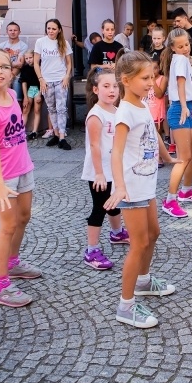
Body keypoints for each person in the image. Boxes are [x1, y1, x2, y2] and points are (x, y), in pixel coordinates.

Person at [105, 50, 178, 328]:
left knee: (154, 233)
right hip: (132, 188)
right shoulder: (124, 112)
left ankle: (144, 282)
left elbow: (154, 132)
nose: (151, 82)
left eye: (152, 76)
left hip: (146, 182)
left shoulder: (143, 105)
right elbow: (116, 152)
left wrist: (168, 157)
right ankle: (125, 305)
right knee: (139, 244)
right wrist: (120, 186)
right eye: (145, 78)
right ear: (126, 79)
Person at [0, 47, 40, 307]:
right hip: (3, 176)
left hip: (23, 167)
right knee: (7, 227)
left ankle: (13, 263)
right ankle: (0, 285)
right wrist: (0, 186)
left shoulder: (13, 94)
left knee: (23, 217)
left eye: (3, 66)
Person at [81, 67, 128, 271]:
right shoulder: (96, 114)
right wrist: (99, 173)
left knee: (114, 203)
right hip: (99, 172)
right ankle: (91, 250)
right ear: (95, 89)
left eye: (115, 86)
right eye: (106, 86)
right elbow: (95, 146)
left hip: (114, 169)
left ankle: (117, 233)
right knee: (99, 208)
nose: (112, 90)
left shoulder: (117, 111)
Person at [160, 28, 192, 217]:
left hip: (185, 107)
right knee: (184, 157)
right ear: (172, 47)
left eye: (187, 44)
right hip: (180, 109)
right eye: (180, 46)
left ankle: (186, 191)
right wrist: (184, 106)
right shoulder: (179, 59)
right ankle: (170, 200)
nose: (185, 48)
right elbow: (180, 84)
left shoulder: (185, 60)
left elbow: (189, 79)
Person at [34, 18, 73, 150]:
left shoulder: (64, 43)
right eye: (49, 28)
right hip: (46, 80)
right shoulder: (40, 42)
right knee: (51, 108)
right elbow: (35, 63)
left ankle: (62, 137)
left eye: (53, 29)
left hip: (61, 79)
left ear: (59, 30)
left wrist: (67, 76)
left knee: (61, 108)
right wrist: (41, 79)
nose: (51, 31)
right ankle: (55, 135)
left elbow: (69, 63)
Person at [0, 22, 28, 96]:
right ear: (7, 32)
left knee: (17, 99)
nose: (13, 32)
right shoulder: (2, 46)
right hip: (3, 76)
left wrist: (11, 76)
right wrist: (13, 64)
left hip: (17, 76)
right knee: (3, 97)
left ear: (19, 32)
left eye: (15, 30)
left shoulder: (23, 46)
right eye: (10, 30)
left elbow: (20, 65)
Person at [19, 52, 42, 140]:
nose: (29, 60)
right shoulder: (25, 68)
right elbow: (23, 82)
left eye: (30, 58)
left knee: (37, 110)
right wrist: (25, 96)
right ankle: (21, 131)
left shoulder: (40, 67)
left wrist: (40, 94)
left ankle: (34, 131)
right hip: (29, 89)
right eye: (26, 58)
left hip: (38, 89)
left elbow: (42, 81)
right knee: (25, 110)